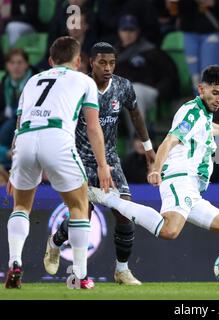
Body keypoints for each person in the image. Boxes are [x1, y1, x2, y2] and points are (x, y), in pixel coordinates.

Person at [89, 65, 219, 286]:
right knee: (170, 231)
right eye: (215, 93)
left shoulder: (202, 114)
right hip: (180, 178)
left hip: (193, 190)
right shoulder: (192, 111)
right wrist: (156, 169)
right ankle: (107, 198)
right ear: (201, 89)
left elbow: (207, 128)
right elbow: (170, 140)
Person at [43, 42, 156, 286]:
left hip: (110, 158)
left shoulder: (123, 86)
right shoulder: (77, 86)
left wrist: (148, 147)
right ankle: (55, 242)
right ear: (90, 61)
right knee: (83, 213)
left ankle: (122, 270)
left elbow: (135, 113)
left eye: (112, 63)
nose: (108, 68)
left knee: (125, 212)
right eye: (102, 62)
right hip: (80, 157)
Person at [4, 36, 112, 289]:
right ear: (78, 61)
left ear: (51, 61)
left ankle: (14, 263)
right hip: (57, 138)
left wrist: (12, 169)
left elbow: (19, 126)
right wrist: (102, 164)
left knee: (20, 205)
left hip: (26, 140)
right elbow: (94, 128)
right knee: (79, 205)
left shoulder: (32, 81)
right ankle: (80, 277)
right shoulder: (85, 80)